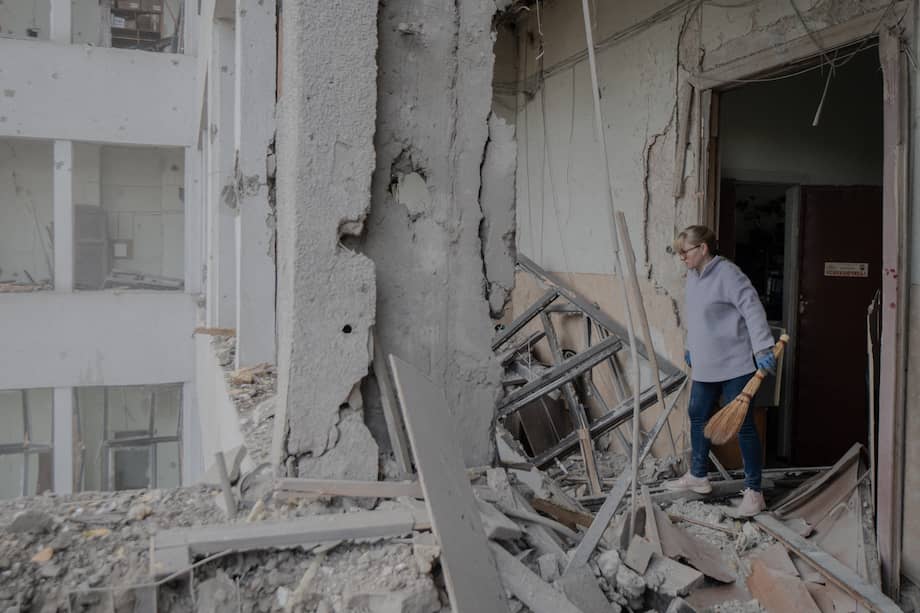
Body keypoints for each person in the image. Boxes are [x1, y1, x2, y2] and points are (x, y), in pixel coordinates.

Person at [665, 225, 777, 517]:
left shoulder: (729, 274)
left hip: (735, 363)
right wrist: (690, 345)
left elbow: (752, 308)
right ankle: (699, 475)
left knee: (743, 425)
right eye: (679, 253)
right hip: (706, 363)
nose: (682, 258)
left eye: (685, 252)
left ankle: (754, 492)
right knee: (698, 413)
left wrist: (762, 348)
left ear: (703, 249)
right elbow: (694, 315)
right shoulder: (692, 277)